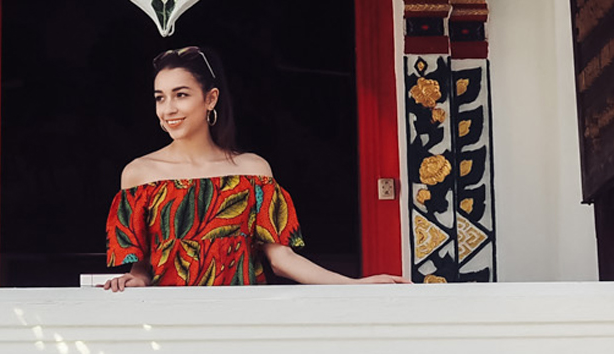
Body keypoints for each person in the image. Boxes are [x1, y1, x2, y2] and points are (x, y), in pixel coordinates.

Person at [103, 46, 406, 289]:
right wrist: (138, 278)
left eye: (181, 95)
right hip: (168, 321)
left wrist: (355, 285)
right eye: (160, 98)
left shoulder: (252, 171)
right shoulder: (140, 174)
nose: (168, 109)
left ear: (210, 99)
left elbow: (282, 259)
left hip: (242, 318)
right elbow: (143, 265)